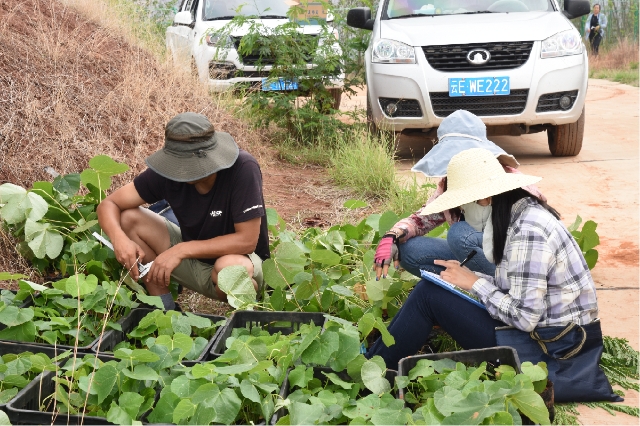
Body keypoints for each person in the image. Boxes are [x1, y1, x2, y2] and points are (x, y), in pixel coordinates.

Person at [367, 148, 599, 368]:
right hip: (549, 335)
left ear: (485, 198)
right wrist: (466, 277)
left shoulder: (527, 232)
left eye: (464, 205)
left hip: (552, 348)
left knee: (427, 297)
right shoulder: (517, 215)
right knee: (433, 289)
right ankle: (376, 359)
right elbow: (514, 287)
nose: (464, 213)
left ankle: (376, 366)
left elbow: (525, 317)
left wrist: (474, 284)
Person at [96, 112, 269, 310]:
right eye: (178, 164)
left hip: (240, 262)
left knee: (228, 269)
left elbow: (247, 241)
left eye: (189, 165)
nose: (182, 171)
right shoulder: (169, 172)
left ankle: (247, 317)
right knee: (128, 219)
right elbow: (109, 205)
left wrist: (181, 250)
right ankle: (165, 310)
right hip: (192, 261)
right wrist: (119, 239)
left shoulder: (242, 168)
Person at [373, 109, 545, 280]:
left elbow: (536, 242)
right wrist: (392, 235)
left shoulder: (511, 184)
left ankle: (490, 288)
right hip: (477, 257)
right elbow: (421, 219)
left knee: (459, 234)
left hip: (518, 266)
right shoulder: (451, 184)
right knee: (410, 250)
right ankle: (462, 291)